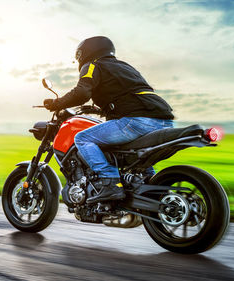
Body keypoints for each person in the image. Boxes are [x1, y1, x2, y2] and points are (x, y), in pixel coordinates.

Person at [43, 36, 175, 203]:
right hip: (163, 120)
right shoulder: (123, 66)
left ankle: (110, 182)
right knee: (134, 156)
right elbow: (126, 92)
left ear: (86, 52)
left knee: (82, 138)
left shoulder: (92, 65)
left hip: (136, 121)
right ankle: (149, 184)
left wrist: (57, 103)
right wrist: (101, 108)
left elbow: (82, 93)